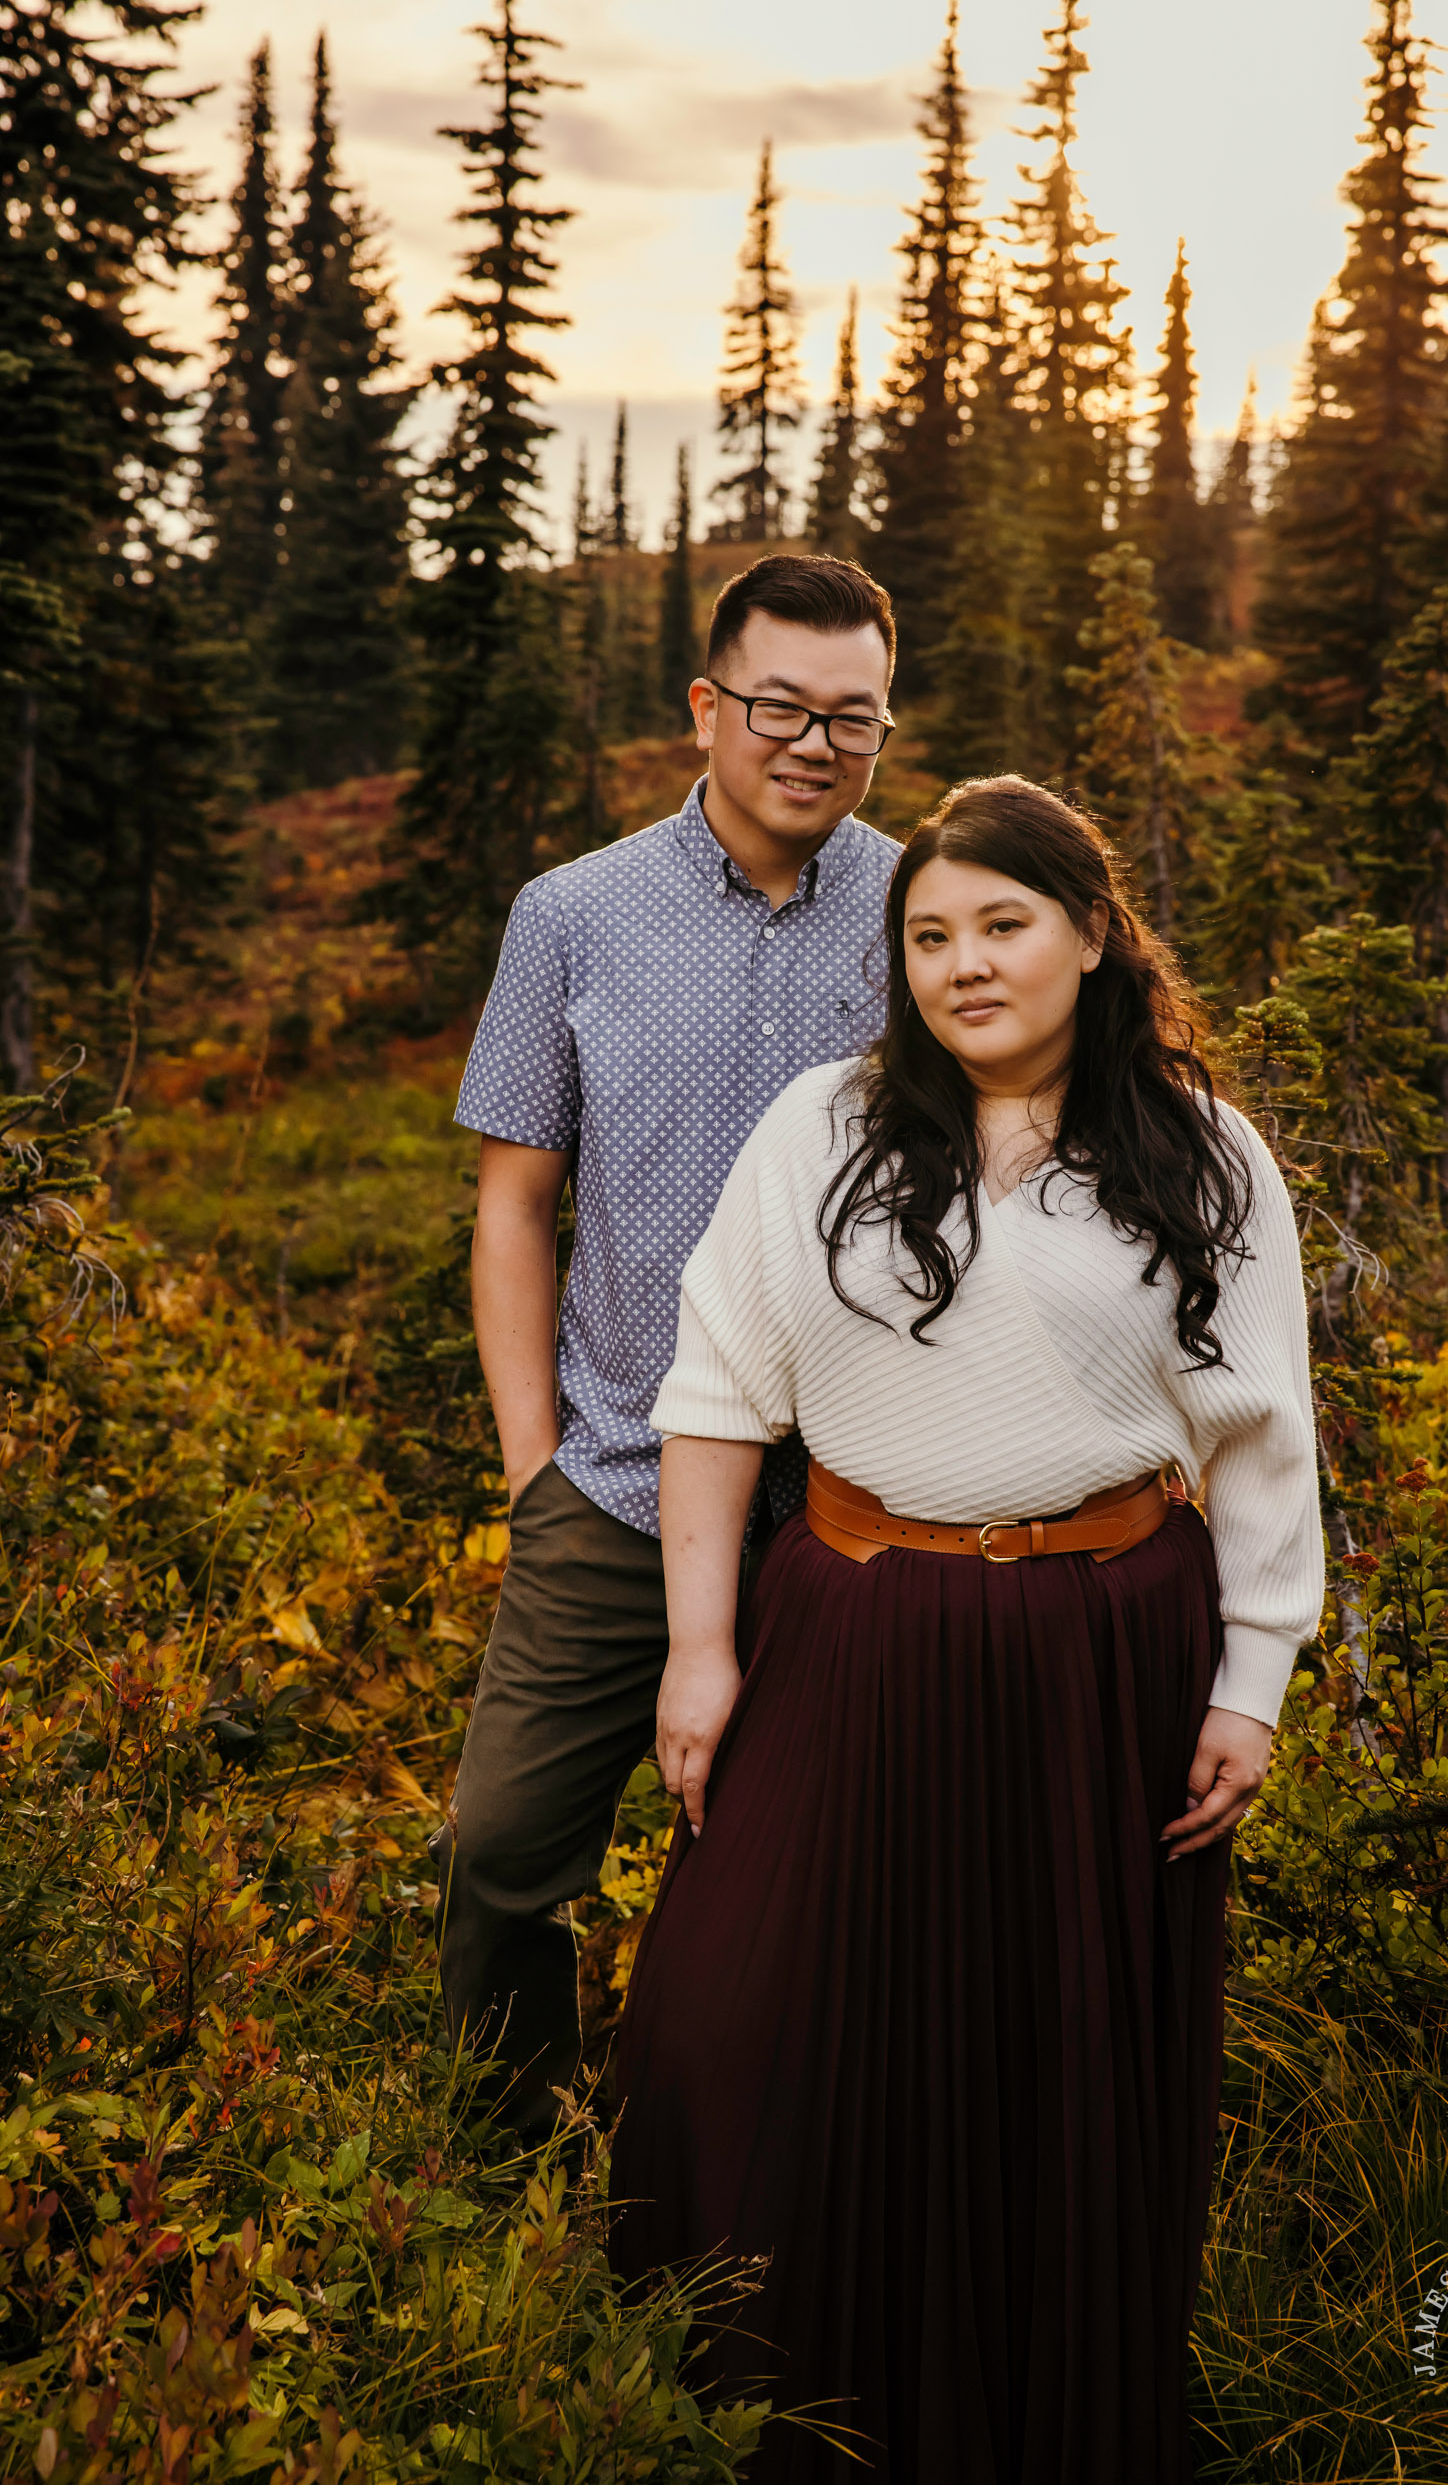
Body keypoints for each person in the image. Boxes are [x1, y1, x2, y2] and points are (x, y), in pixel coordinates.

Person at [605, 777, 1326, 2481]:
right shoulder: (823, 1127)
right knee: (732, 2016)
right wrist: (701, 1648)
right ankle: (759, 2416)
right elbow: (716, 1395)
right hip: (850, 1628)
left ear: (1091, 934)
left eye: (1003, 924)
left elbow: (1266, 1438)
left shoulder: (1200, 1152)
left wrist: (1256, 1682)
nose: (964, 965)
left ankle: (1038, 2426)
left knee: (1055, 2058)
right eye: (930, 934)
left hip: (1104, 1650)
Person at [433, 554, 903, 2144]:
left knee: (820, 1880)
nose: (814, 745)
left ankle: (748, 2195)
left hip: (852, 1505)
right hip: (620, 1488)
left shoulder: (927, 912)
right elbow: (514, 1202)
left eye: (854, 718)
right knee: (501, 1855)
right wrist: (533, 1465)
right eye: (780, 707)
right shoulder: (571, 915)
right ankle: (504, 2172)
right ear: (708, 707)